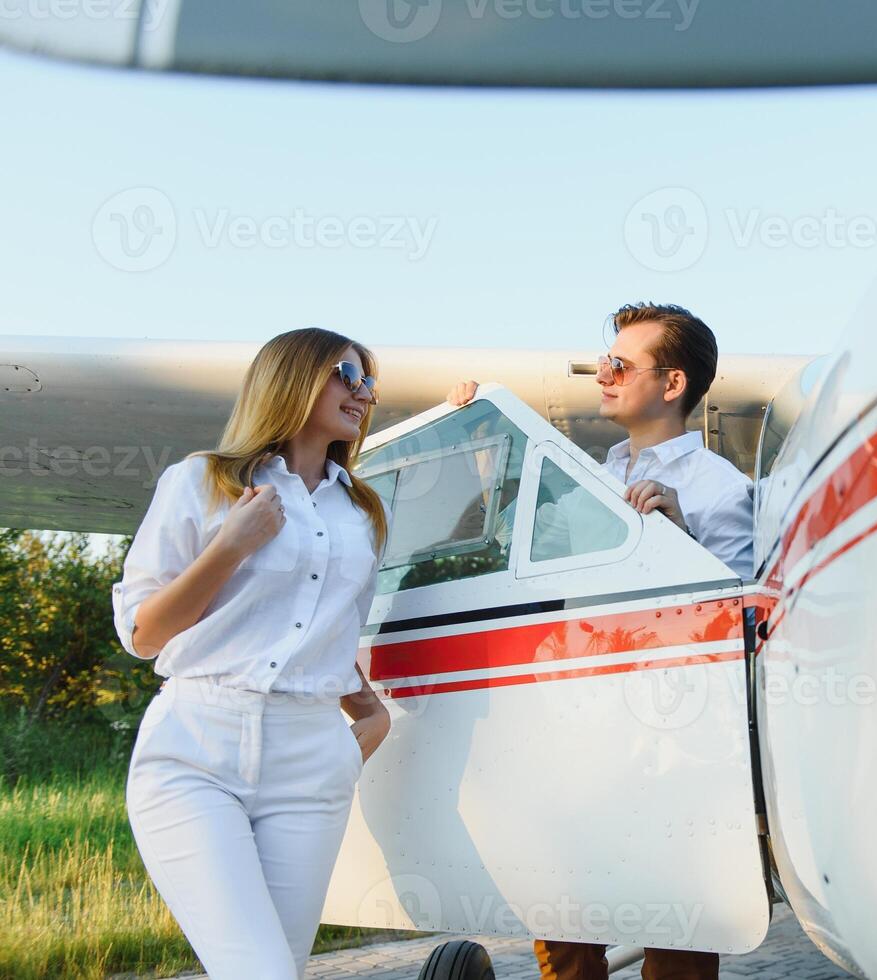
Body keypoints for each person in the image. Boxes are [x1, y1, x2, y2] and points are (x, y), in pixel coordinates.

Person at [446, 301, 750, 980]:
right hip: (576, 738)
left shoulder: (723, 489)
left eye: (618, 364)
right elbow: (508, 551)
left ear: (673, 385)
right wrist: (476, 440)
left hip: (672, 747)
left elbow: (743, 627)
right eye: (602, 363)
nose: (603, 375)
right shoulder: (584, 480)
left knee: (677, 943)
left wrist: (685, 541)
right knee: (564, 933)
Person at [112, 328, 393, 980]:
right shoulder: (199, 482)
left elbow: (332, 634)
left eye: (369, 381)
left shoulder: (364, 512)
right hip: (196, 751)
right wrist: (231, 546)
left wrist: (368, 723)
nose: (364, 391)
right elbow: (143, 634)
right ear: (289, 378)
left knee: (276, 970)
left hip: (310, 763)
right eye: (347, 373)